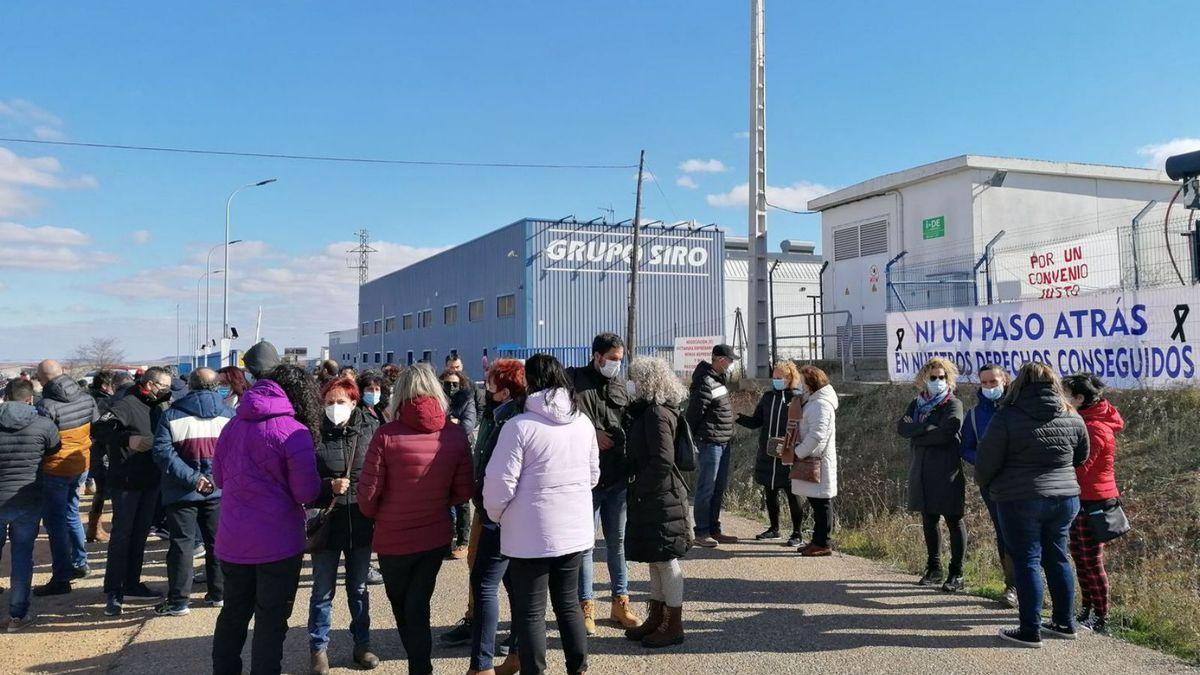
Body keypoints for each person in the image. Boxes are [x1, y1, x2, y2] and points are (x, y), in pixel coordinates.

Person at [484, 354, 599, 675]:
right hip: (574, 531)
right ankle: (578, 668)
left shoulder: (519, 427)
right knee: (568, 605)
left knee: (531, 612)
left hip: (529, 535)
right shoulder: (583, 421)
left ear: (529, 382)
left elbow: (499, 484)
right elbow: (593, 476)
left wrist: (497, 515)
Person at [358, 363, 473, 675]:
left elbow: (367, 497)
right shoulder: (454, 434)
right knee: (419, 603)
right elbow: (463, 492)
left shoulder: (385, 435)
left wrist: (383, 511)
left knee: (402, 603)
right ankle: (420, 666)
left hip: (393, 538)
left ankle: (420, 665)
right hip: (434, 535)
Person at [211, 362, 322, 675]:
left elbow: (219, 478)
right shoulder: (294, 432)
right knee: (270, 621)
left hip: (232, 539)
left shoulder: (232, 425)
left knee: (233, 614)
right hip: (278, 543)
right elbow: (306, 492)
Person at [976, 362, 1089, 648]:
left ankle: (1030, 629)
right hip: (1064, 498)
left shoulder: (1007, 416)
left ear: (1018, 384)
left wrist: (988, 484)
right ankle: (1065, 622)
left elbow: (986, 463)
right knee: (1059, 557)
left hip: (1019, 498)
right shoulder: (1071, 414)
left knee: (1027, 561)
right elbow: (1081, 456)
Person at [566, 332, 640, 633]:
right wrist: (591, 433)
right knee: (585, 545)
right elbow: (566, 417)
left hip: (617, 476)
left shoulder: (622, 385)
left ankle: (620, 603)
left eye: (620, 360)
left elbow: (630, 421)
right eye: (611, 359)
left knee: (617, 543)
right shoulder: (573, 382)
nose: (615, 365)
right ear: (596, 356)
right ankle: (585, 607)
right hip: (586, 478)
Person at [307, 376, 380, 674]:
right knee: (323, 589)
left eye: (341, 402)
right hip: (326, 519)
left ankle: (362, 644)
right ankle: (318, 649)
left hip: (361, 520)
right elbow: (302, 480)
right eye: (329, 402)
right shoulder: (312, 434)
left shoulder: (370, 429)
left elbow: (380, 471)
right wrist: (327, 487)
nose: (335, 407)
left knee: (359, 588)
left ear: (353, 402)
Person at [461, 359, 525, 675]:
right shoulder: (498, 415)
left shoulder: (511, 420)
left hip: (499, 512)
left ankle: (481, 665)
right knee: (513, 583)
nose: (486, 388)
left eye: (490, 383)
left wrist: (490, 509)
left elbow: (500, 471)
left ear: (504, 389)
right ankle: (516, 653)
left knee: (485, 582)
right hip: (500, 510)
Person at [621, 357, 691, 648]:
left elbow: (663, 459)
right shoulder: (652, 411)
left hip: (660, 496)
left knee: (666, 560)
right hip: (656, 494)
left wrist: (640, 487)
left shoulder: (656, 414)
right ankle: (656, 618)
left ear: (647, 381)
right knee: (656, 558)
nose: (630, 384)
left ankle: (672, 624)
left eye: (635, 378)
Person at [151, 368, 232, 617]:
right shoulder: (230, 415)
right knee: (218, 542)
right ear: (216, 386)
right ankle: (218, 594)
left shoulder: (172, 414)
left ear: (190, 385)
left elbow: (163, 453)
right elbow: (235, 452)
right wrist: (212, 479)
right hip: (218, 491)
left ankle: (178, 601)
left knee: (182, 545)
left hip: (181, 492)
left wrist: (194, 479)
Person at [93, 367, 173, 616]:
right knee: (122, 536)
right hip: (126, 482)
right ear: (149, 384)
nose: (166, 390)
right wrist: (127, 439)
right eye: (163, 385)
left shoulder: (160, 406)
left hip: (151, 480)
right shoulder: (126, 403)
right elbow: (99, 430)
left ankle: (132, 582)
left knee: (140, 534)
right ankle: (114, 590)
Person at [897, 357, 967, 592]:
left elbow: (948, 432)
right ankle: (934, 568)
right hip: (921, 470)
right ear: (924, 379)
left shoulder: (952, 404)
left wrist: (918, 431)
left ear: (949, 379)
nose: (937, 381)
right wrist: (927, 429)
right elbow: (902, 428)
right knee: (929, 519)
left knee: (954, 520)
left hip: (946, 471)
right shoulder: (916, 404)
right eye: (933, 378)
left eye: (941, 377)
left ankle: (956, 572)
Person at [1062, 373, 1124, 634]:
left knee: (1092, 561)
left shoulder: (1095, 427)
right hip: (1081, 498)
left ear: (1079, 398)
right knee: (1080, 557)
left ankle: (1101, 616)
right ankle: (1086, 609)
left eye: (1064, 393)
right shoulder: (1084, 420)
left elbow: (1081, 467)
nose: (1060, 397)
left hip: (1093, 501)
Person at [33, 359, 99, 596]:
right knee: (71, 513)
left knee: (55, 522)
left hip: (55, 469)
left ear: (43, 379)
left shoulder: (46, 405)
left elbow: (43, 440)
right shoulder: (86, 397)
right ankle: (80, 563)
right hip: (81, 463)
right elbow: (96, 425)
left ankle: (62, 576)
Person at [0, 378, 60, 632]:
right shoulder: (44, 424)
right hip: (28, 497)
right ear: (30, 399)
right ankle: (17, 615)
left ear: (5, 397)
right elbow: (54, 450)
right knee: (22, 556)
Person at [959, 364, 1018, 608]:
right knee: (1004, 531)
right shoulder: (974, 415)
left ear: (1005, 380)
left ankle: (1034, 584)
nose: (989, 387)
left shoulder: (1018, 408)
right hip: (992, 482)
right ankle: (1012, 585)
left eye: (993, 382)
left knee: (1029, 533)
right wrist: (984, 463)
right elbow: (966, 447)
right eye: (984, 383)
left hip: (1021, 480)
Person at [737, 361, 804, 546]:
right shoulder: (768, 397)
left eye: (779, 378)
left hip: (789, 453)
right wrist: (738, 418)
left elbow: (803, 425)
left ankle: (797, 533)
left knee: (793, 493)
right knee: (770, 490)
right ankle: (774, 529)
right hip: (767, 452)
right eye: (774, 377)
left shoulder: (797, 397)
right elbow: (756, 421)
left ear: (790, 378)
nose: (775, 381)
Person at [686, 344, 739, 549]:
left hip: (723, 441)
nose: (731, 364)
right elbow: (694, 413)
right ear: (718, 359)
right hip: (710, 442)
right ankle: (701, 532)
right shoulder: (705, 382)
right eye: (729, 360)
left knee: (718, 488)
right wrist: (695, 438)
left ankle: (714, 528)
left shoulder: (717, 380)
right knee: (706, 488)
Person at [791, 365, 839, 556]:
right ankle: (817, 540)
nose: (799, 385)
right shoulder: (812, 401)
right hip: (811, 458)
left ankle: (823, 543)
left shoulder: (821, 405)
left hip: (817, 460)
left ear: (811, 383)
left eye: (802, 382)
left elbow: (818, 436)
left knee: (822, 503)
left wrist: (799, 453)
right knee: (816, 502)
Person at [442, 367, 477, 561]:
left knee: (462, 499)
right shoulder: (438, 399)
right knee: (444, 499)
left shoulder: (467, 399)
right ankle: (446, 541)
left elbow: (467, 425)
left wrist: (451, 424)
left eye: (455, 384)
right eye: (448, 384)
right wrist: (450, 422)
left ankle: (463, 540)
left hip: (462, 452)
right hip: (441, 453)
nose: (451, 387)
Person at [85, 370, 117, 542]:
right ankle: (94, 529)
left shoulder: (88, 399)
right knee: (105, 490)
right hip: (101, 451)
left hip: (89, 450)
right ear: (105, 386)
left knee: (100, 491)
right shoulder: (105, 402)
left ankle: (93, 528)